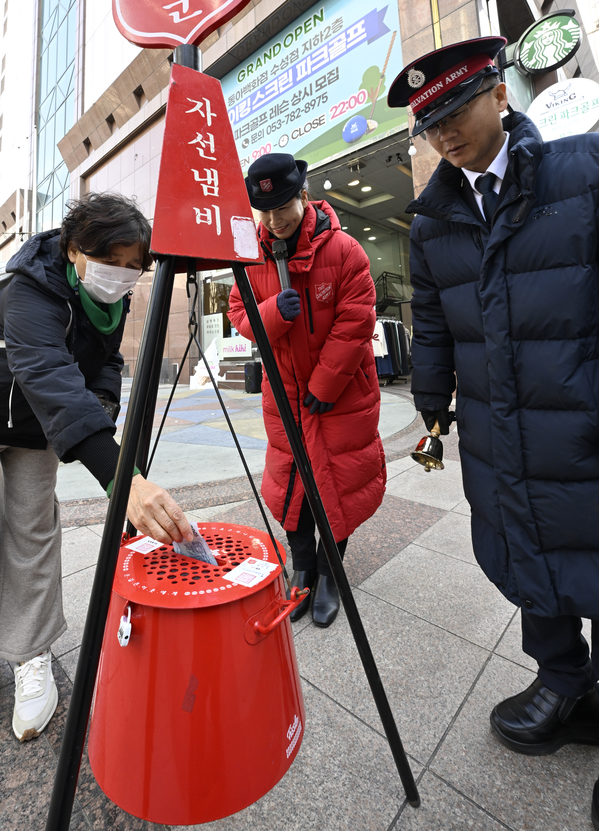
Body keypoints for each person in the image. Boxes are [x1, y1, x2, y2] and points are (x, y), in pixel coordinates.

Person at [388, 38, 599, 771]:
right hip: (495, 429)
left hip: (579, 417)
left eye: (456, 110)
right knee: (525, 549)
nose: (443, 133)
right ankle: (565, 680)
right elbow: (436, 319)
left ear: (501, 95)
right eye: (429, 123)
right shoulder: (433, 219)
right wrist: (430, 399)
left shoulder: (581, 170)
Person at [0, 192, 192, 741]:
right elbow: (46, 370)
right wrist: (121, 478)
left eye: (133, 266)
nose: (120, 275)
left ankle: (28, 653)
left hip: (34, 428)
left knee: (33, 532)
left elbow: (103, 363)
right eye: (108, 260)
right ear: (72, 250)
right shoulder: (32, 288)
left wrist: (105, 414)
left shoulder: (111, 302)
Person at [228, 154, 385, 627]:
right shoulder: (248, 255)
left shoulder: (344, 250)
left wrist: (326, 382)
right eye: (265, 211)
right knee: (292, 485)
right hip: (284, 395)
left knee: (335, 484)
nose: (274, 221)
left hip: (339, 397)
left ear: (303, 196)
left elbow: (356, 320)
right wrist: (275, 311)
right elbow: (241, 316)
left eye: (282, 207)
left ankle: (330, 573)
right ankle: (302, 569)